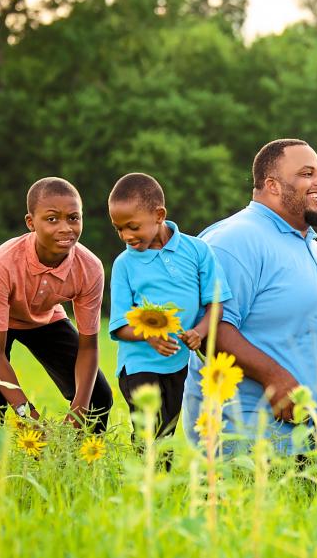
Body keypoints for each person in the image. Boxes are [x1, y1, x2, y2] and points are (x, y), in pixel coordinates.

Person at [181, 139, 317, 452]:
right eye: (307, 173)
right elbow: (210, 328)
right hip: (253, 441)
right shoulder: (234, 239)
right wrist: (274, 377)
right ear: (272, 185)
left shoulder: (314, 247)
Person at [0, 177, 112, 429]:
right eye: (52, 219)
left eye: (73, 218)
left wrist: (79, 410)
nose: (65, 228)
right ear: (31, 222)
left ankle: (75, 463)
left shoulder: (90, 268)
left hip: (40, 313)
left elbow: (89, 348)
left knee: (98, 398)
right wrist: (27, 413)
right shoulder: (4, 262)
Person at [107, 173, 231, 446]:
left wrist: (199, 332)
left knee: (166, 432)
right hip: (138, 363)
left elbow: (216, 303)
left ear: (159, 215)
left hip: (177, 363)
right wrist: (147, 335)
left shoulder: (197, 250)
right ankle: (145, 483)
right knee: (149, 431)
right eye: (119, 229)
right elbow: (119, 324)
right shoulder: (124, 264)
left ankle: (158, 485)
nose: (126, 236)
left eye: (133, 227)